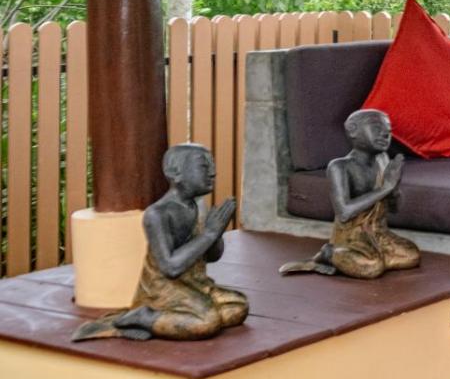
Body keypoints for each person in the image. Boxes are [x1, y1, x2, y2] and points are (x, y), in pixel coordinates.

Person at [73, 144, 247, 341]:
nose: (213, 172)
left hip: (195, 283)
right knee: (206, 322)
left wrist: (216, 233)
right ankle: (145, 316)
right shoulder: (158, 214)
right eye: (203, 166)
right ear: (175, 172)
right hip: (164, 289)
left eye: (212, 165)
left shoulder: (199, 206)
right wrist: (208, 234)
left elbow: (213, 256)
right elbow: (170, 267)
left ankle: (173, 319)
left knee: (238, 306)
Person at [279, 108, 420, 279]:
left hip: (379, 234)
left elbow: (394, 209)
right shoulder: (340, 167)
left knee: (412, 255)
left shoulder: (383, 160)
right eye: (377, 127)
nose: (385, 134)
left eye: (388, 130)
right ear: (353, 130)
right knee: (372, 268)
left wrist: (395, 188)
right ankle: (330, 253)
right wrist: (385, 188)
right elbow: (344, 212)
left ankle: (370, 258)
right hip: (352, 239)